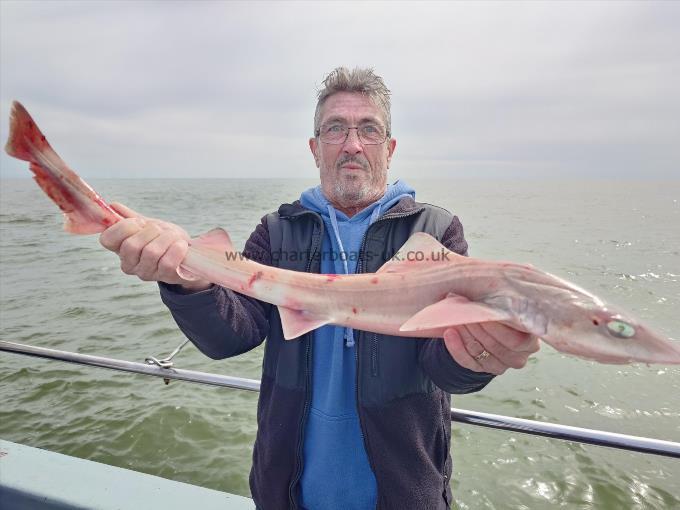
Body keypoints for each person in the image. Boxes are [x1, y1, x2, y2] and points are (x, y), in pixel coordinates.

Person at [100, 67, 539, 510]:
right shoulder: (278, 231)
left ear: (389, 148)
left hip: (403, 495)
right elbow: (232, 335)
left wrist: (478, 357)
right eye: (335, 129)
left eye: (369, 129)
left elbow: (444, 368)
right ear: (315, 148)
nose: (352, 144)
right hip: (288, 493)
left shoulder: (434, 232)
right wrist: (187, 281)